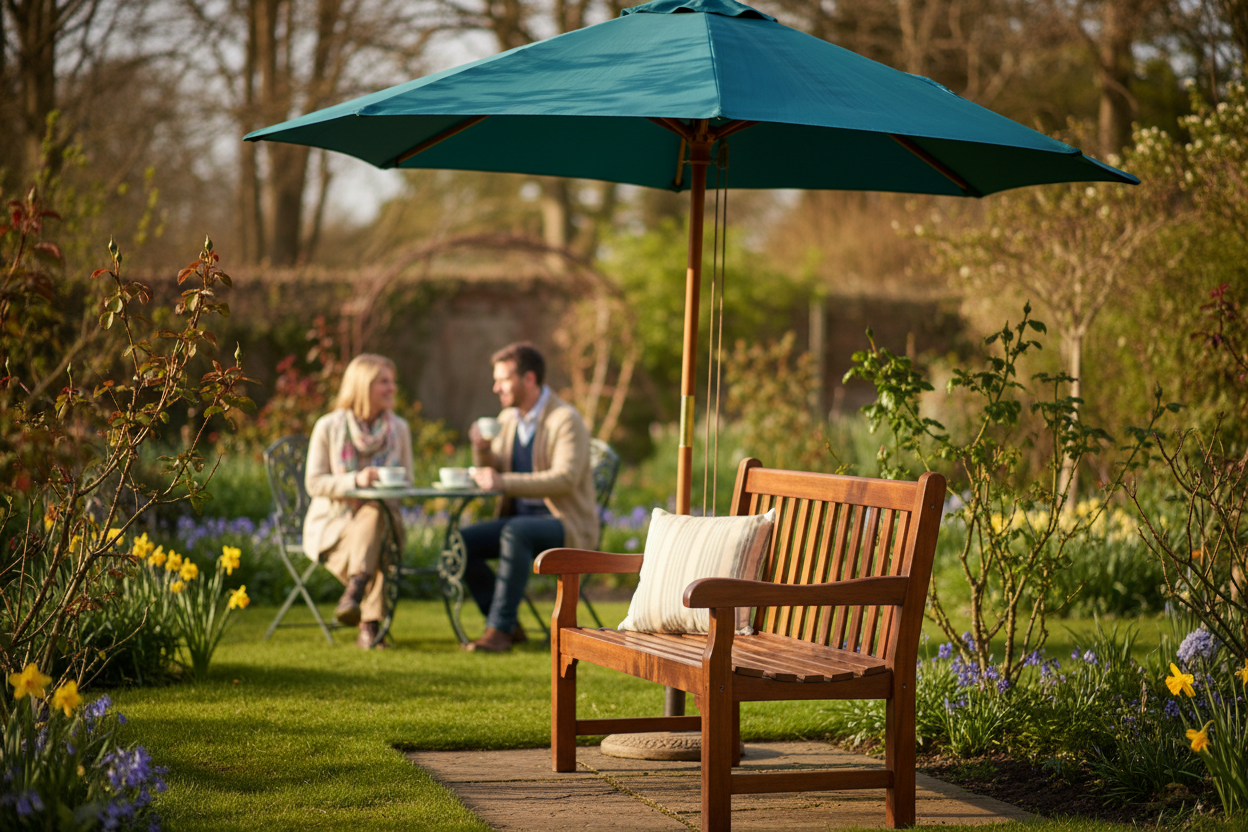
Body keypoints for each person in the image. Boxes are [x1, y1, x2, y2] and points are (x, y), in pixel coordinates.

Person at [461, 342, 598, 653]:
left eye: (503, 379)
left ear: (529, 379)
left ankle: (499, 630)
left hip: (567, 524)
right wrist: (482, 450)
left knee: (515, 531)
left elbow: (564, 479)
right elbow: (497, 468)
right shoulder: (509, 419)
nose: (496, 387)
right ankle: (510, 627)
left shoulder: (565, 419)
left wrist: (503, 481)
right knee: (462, 542)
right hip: (520, 523)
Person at [303, 354, 413, 649]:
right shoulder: (328, 426)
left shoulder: (399, 429)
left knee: (376, 515)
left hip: (383, 521)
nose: (392, 388)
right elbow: (314, 483)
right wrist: (355, 481)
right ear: (363, 385)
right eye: (384, 382)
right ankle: (370, 627)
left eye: (392, 381)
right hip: (334, 526)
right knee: (379, 541)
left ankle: (355, 590)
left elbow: (408, 482)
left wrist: (387, 486)